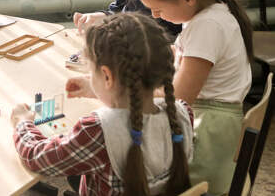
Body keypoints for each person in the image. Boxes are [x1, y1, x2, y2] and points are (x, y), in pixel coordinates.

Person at [12, 13, 193, 196]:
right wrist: (96, 89)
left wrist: (22, 123)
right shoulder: (182, 113)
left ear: (107, 76)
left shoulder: (97, 131)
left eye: (91, 70)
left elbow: (36, 158)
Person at [131, 0, 253, 194]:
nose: (155, 15)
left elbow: (179, 98)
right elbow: (185, 56)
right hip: (214, 123)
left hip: (208, 133)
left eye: (158, 9)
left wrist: (133, 90)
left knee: (133, 165)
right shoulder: (209, 14)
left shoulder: (207, 26)